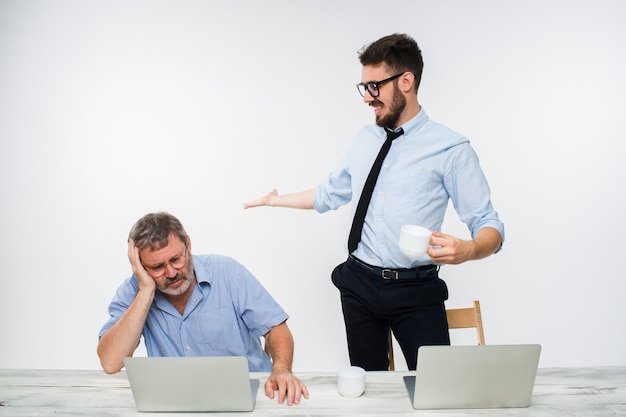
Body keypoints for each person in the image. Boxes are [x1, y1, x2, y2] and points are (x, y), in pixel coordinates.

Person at [243, 33, 504, 371]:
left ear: (406, 81)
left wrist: (468, 249)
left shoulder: (451, 149)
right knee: (368, 388)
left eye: (374, 86)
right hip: (359, 284)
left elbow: (489, 225)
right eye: (363, 87)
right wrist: (276, 201)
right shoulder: (365, 139)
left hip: (416, 290)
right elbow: (328, 194)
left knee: (437, 387)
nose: (367, 98)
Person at [97, 212, 308, 406]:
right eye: (157, 267)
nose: (171, 273)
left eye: (176, 259)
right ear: (140, 267)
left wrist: (281, 369)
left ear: (188, 245)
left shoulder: (228, 272)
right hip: (178, 401)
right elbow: (110, 362)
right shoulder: (134, 291)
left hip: (252, 397)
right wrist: (145, 292)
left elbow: (275, 327)